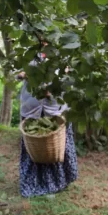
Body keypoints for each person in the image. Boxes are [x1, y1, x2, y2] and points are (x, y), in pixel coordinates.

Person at [16, 52, 78, 197]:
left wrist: (54, 87)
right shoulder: (27, 52)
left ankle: (56, 183)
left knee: (54, 146)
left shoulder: (61, 53)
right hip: (32, 106)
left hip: (55, 107)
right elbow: (16, 72)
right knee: (34, 146)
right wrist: (26, 75)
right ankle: (34, 183)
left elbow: (69, 75)